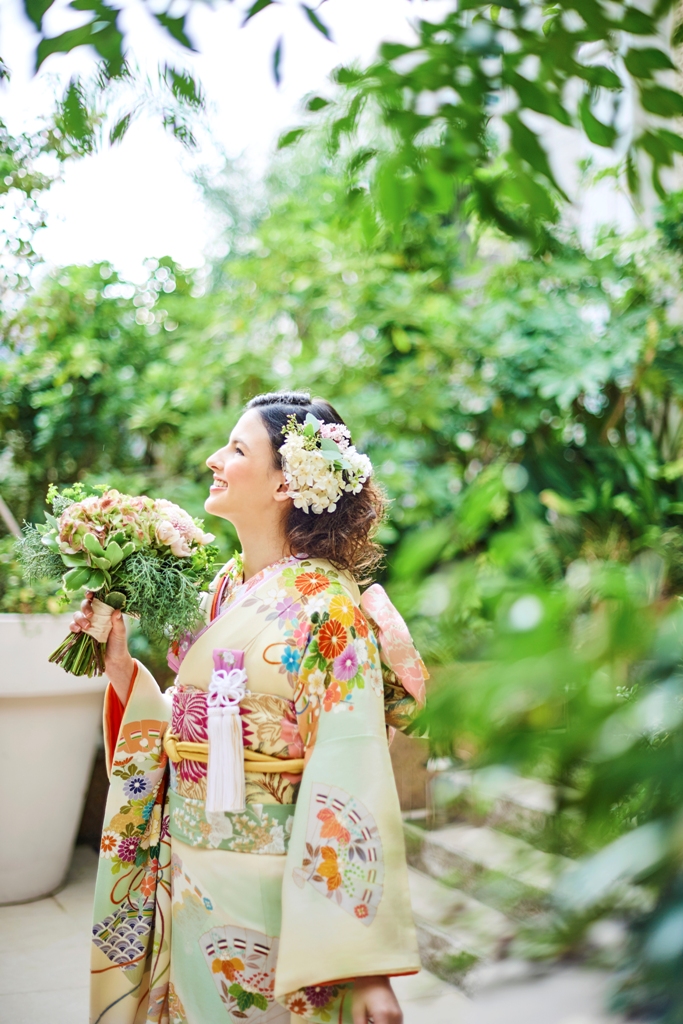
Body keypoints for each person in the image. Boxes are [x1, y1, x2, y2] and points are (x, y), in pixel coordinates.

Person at [72, 391, 427, 1024]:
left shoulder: (329, 610)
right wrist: (122, 669)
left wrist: (365, 966)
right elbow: (189, 726)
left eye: (236, 449)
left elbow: (351, 770)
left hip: (275, 889)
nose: (215, 459)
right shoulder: (224, 590)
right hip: (190, 875)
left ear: (289, 483)